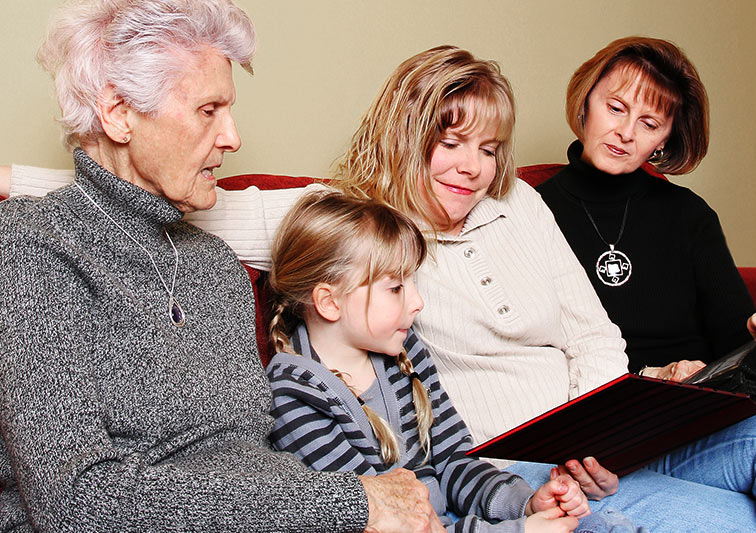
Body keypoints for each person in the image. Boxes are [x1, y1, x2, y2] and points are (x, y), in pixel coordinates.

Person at [4, 45, 756, 531]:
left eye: (488, 147)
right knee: (726, 517)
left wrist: (615, 421)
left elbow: (594, 333)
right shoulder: (359, 222)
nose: (471, 167)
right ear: (405, 135)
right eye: (449, 142)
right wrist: (19, 179)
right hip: (510, 462)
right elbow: (167, 195)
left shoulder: (520, 201)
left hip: (610, 430)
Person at [0, 1, 443, 531]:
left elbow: (255, 459)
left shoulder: (214, 266)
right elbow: (78, 501)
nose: (233, 137)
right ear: (117, 112)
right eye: (208, 110)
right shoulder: (29, 249)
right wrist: (352, 504)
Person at [265, 189, 600, 533]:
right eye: (396, 288)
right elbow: (384, 521)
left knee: (598, 522)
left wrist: (523, 504)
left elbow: (455, 459)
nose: (417, 302)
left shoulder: (404, 349)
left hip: (449, 524)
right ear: (330, 302)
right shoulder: (295, 396)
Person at [535, 36, 756, 379]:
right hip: (609, 410)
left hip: (704, 404)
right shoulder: (532, 213)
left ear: (664, 141)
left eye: (649, 124)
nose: (625, 133)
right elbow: (535, 362)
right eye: (615, 108)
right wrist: (654, 375)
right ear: (585, 102)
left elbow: (736, 344)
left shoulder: (690, 214)